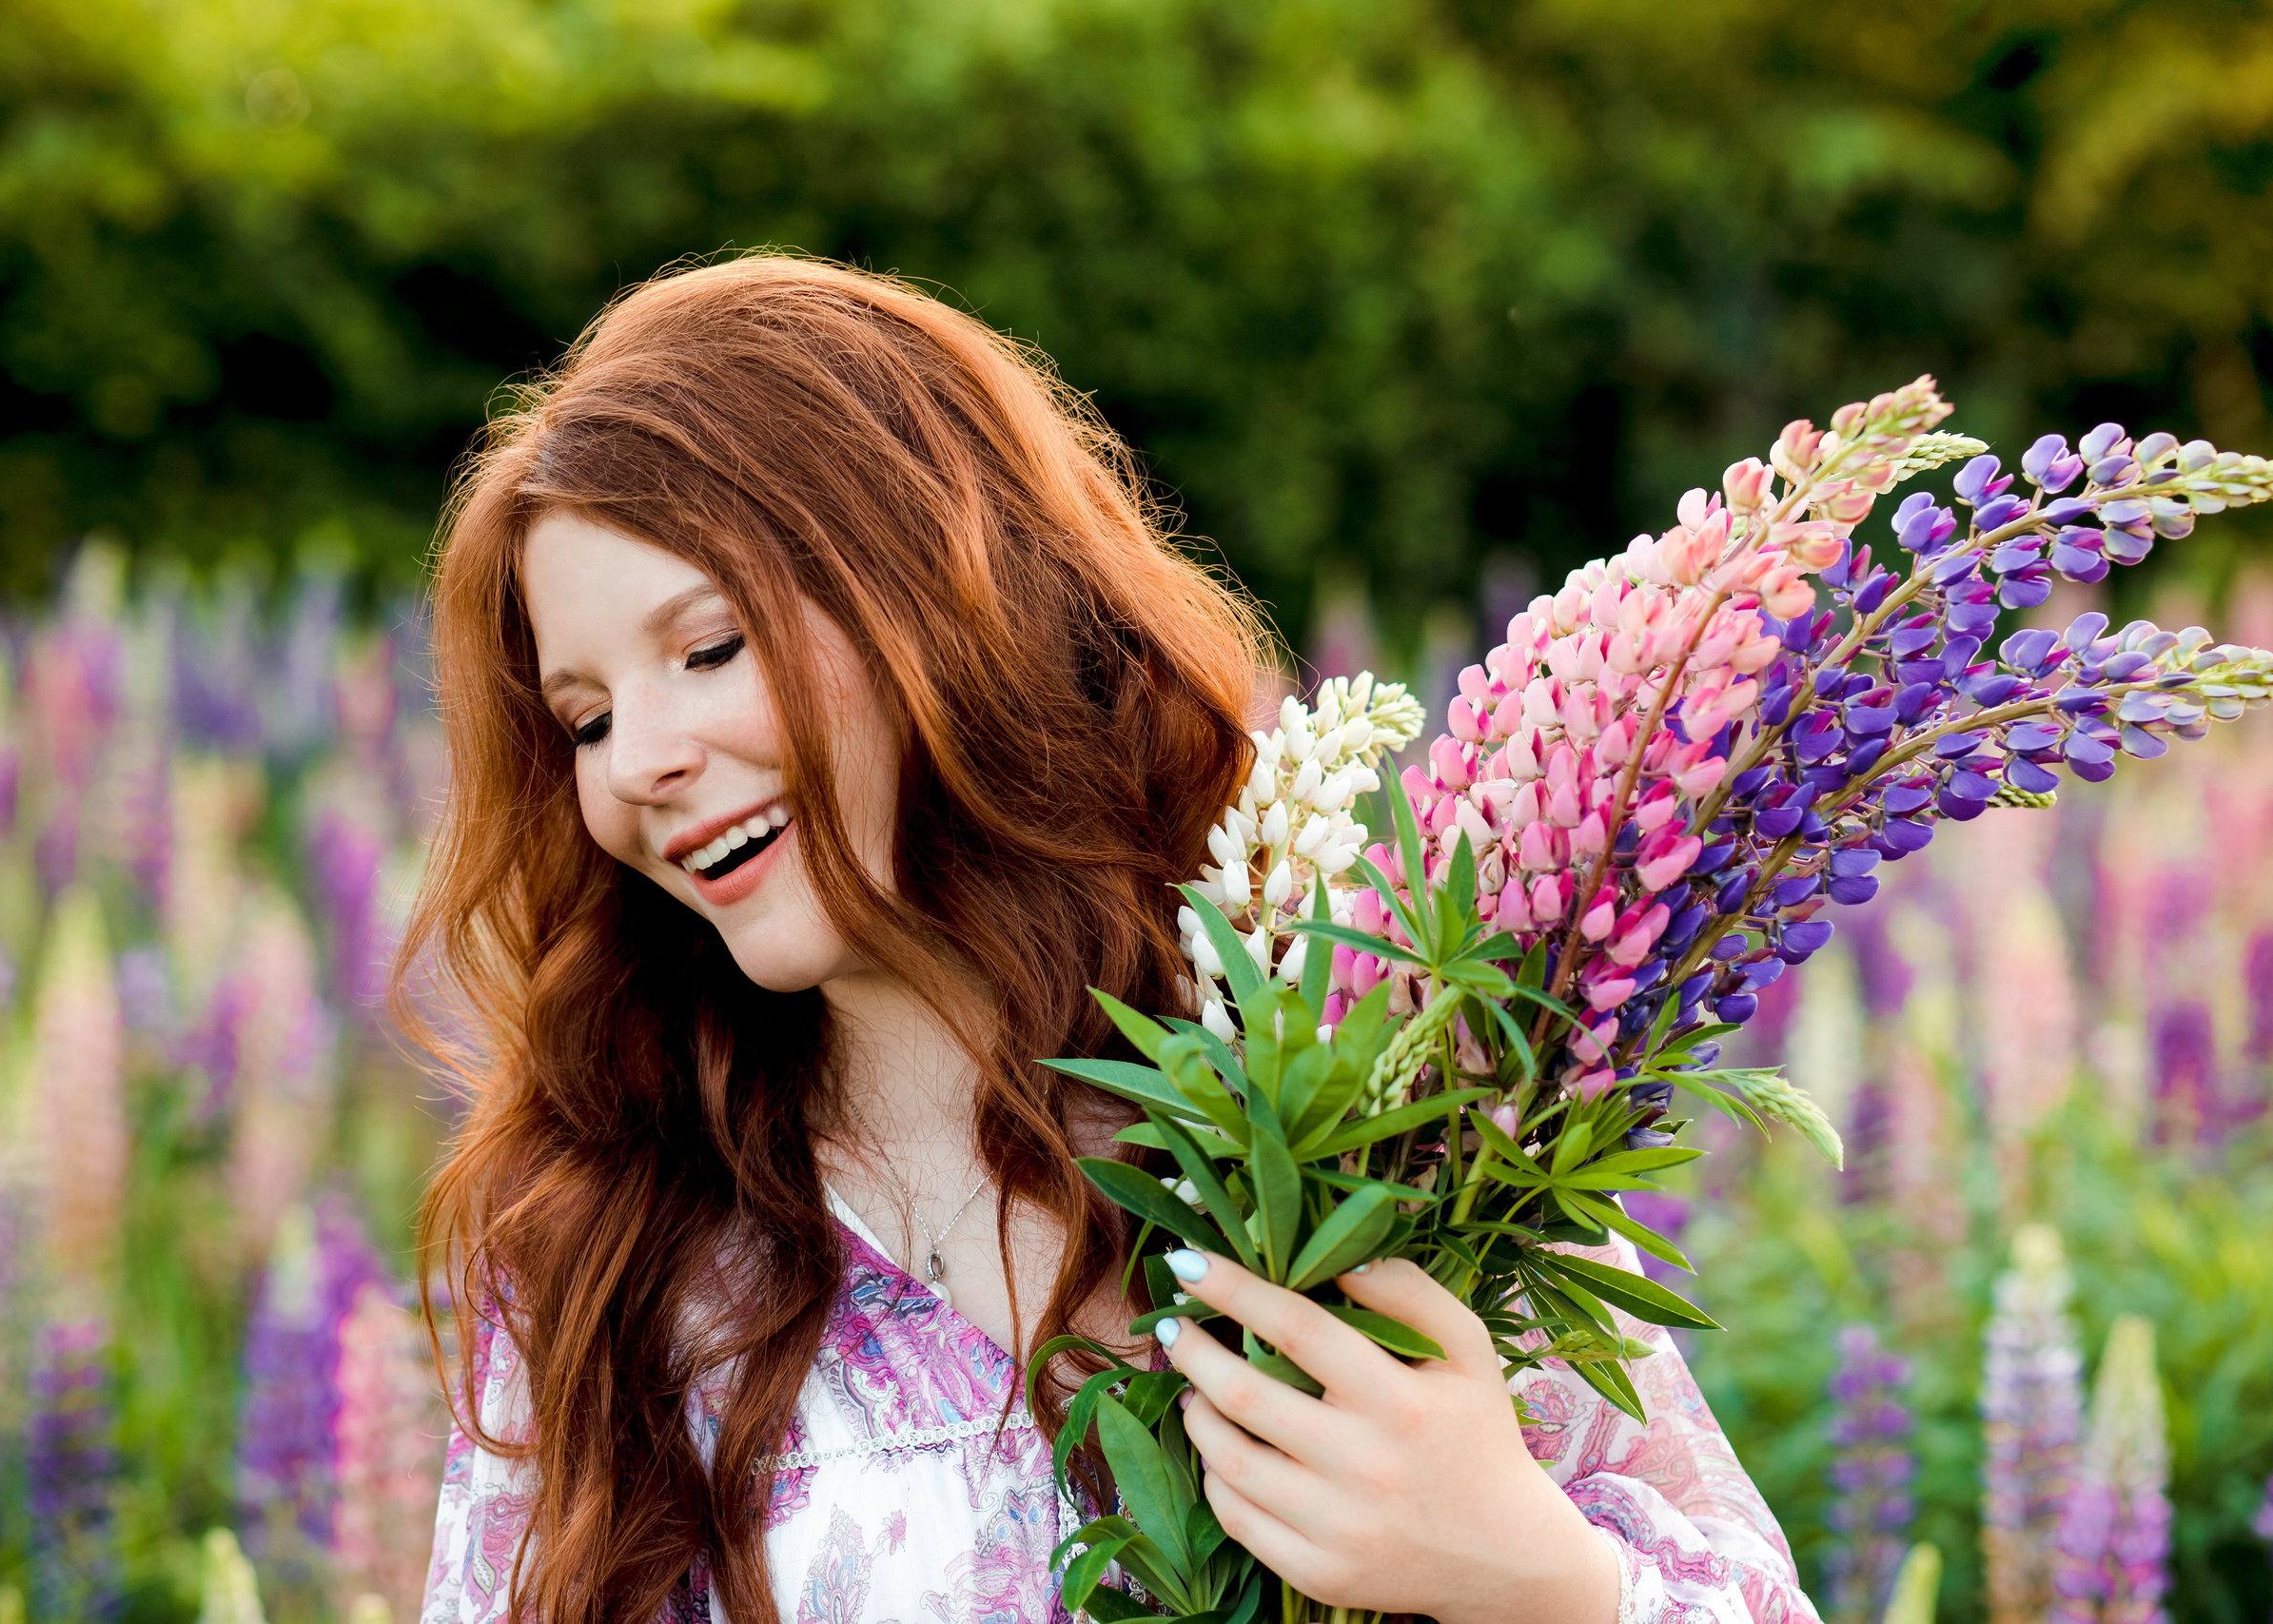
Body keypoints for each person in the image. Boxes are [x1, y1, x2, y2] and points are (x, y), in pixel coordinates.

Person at [410, 254, 1817, 1624]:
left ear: (944, 602)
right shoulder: (608, 1253)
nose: (637, 762)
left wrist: (1538, 1583)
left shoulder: (1377, 1108)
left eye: (709, 648)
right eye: (585, 718)